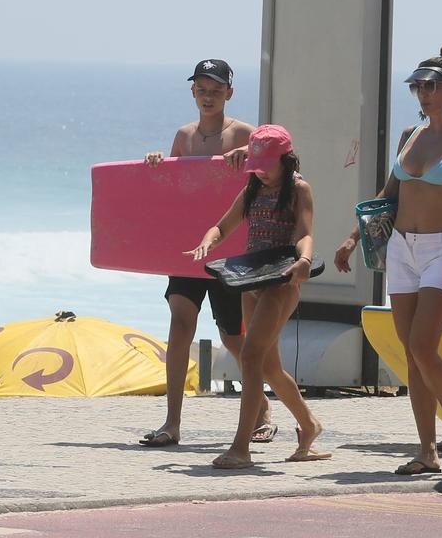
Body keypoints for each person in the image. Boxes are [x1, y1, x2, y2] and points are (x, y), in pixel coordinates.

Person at [335, 43, 442, 474]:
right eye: (417, 87)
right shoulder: (411, 136)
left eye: (430, 87)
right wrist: (353, 237)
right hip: (401, 250)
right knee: (412, 355)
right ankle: (427, 451)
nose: (422, 94)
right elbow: (389, 195)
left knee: (425, 345)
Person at [139, 59, 276, 446]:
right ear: (193, 92)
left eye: (216, 90)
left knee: (234, 338)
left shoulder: (246, 134)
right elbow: (174, 191)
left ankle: (262, 406)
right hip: (190, 248)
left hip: (230, 252)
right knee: (180, 326)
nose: (208, 97)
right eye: (202, 90)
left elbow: (277, 168)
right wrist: (157, 163)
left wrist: (249, 155)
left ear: (229, 93)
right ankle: (172, 423)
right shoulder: (184, 136)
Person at [188, 124, 330, 468]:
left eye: (268, 165)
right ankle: (310, 426)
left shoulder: (299, 189)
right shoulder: (252, 187)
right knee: (269, 367)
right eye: (257, 165)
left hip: (281, 282)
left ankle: (241, 447)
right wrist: (209, 240)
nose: (262, 172)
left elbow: (304, 233)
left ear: (286, 159)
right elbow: (222, 225)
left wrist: (305, 261)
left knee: (250, 357)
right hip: (249, 281)